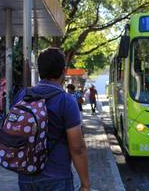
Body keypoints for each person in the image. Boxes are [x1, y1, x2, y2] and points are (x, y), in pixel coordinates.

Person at [14, 48, 90, 191]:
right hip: (57, 177)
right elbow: (77, 148)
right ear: (64, 71)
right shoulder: (66, 101)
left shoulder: (22, 95)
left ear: (39, 70)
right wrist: (85, 185)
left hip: (26, 177)